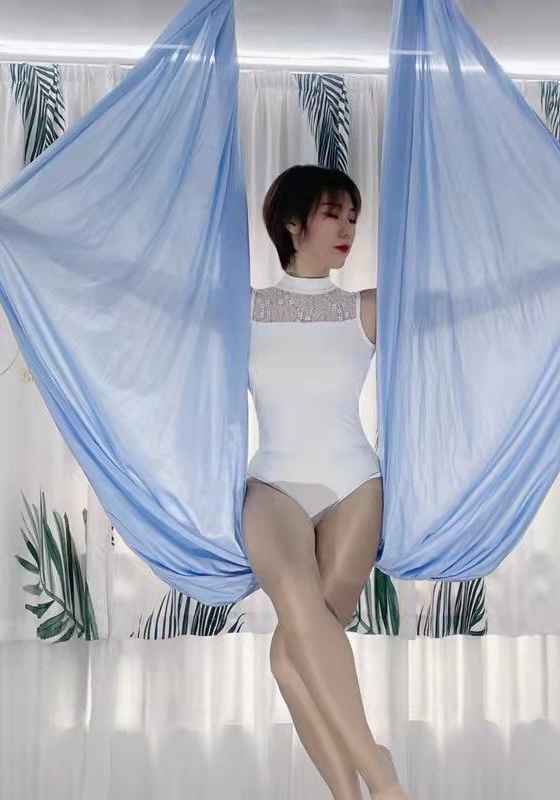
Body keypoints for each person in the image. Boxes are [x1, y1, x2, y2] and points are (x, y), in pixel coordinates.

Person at [242, 164, 407, 800]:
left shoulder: (366, 308)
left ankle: (349, 794)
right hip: (273, 485)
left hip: (353, 486)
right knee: (293, 596)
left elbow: (461, 303)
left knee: (290, 657)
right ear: (292, 223)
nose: (348, 229)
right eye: (333, 214)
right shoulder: (245, 308)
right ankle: (383, 780)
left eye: (353, 217)